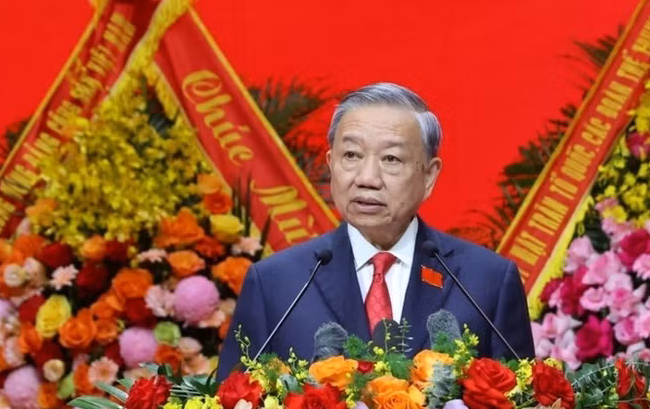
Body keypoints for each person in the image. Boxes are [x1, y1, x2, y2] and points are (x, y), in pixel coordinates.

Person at [217, 82, 534, 378]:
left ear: (429, 176)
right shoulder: (277, 283)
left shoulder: (486, 282)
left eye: (391, 159)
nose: (367, 177)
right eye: (351, 155)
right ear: (331, 163)